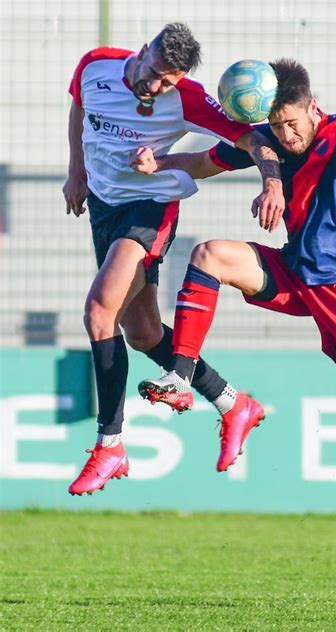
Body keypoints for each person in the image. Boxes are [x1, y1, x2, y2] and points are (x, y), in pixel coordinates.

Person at [132, 59, 336, 595]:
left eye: (293, 124)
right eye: (277, 125)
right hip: (294, 272)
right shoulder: (267, 142)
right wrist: (157, 162)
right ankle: (183, 375)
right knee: (210, 254)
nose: (287, 135)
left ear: (313, 108)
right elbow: (205, 162)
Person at [62, 23, 285, 497]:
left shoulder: (187, 98)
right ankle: (234, 403)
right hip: (103, 206)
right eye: (157, 74)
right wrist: (76, 171)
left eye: (169, 81)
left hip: (149, 207)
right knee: (142, 333)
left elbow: (253, 140)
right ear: (143, 52)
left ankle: (110, 445)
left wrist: (272, 181)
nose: (158, 87)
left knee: (100, 312)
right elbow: (80, 105)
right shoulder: (95, 64)